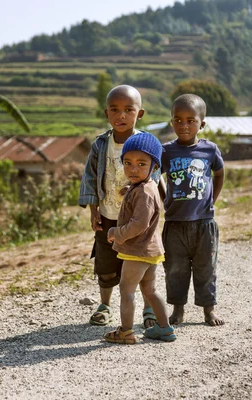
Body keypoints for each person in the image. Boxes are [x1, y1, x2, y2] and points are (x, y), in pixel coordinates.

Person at [79, 85, 160, 328]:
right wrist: (94, 210)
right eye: (114, 110)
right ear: (106, 113)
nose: (120, 115)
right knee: (105, 265)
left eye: (128, 110)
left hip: (137, 221)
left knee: (141, 265)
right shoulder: (100, 145)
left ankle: (149, 309)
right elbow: (91, 177)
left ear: (140, 113)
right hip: (107, 215)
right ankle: (104, 305)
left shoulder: (146, 144)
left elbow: (156, 178)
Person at [103, 132, 176, 344]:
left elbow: (139, 224)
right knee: (150, 290)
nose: (133, 169)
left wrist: (116, 233)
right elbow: (142, 193)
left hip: (138, 252)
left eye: (141, 164)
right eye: (128, 163)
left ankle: (126, 332)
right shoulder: (146, 186)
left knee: (127, 290)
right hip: (151, 251)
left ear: (154, 166)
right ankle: (164, 328)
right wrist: (129, 190)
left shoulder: (143, 192)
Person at [161, 93, 225, 327]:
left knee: (205, 268)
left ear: (202, 124)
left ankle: (209, 311)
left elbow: (219, 173)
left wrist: (212, 199)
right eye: (178, 120)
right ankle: (178, 311)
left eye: (190, 120)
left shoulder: (210, 150)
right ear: (172, 122)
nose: (183, 125)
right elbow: (155, 176)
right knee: (175, 269)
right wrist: (163, 197)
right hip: (174, 223)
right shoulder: (166, 151)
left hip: (204, 223)